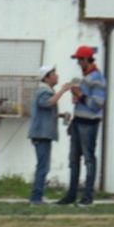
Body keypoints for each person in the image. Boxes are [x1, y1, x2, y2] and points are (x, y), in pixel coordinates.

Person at [58, 45, 105, 207]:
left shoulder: (96, 78)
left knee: (89, 159)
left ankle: (88, 196)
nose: (78, 63)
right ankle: (71, 195)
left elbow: (97, 104)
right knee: (74, 160)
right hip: (79, 121)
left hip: (89, 124)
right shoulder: (86, 77)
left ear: (86, 59)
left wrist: (80, 95)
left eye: (79, 59)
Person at [28, 64, 68, 205]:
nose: (57, 76)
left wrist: (59, 115)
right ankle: (36, 198)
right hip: (41, 134)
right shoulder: (44, 91)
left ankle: (38, 195)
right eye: (54, 73)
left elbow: (45, 111)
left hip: (43, 134)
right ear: (46, 77)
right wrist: (62, 91)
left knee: (44, 166)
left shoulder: (47, 90)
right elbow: (45, 104)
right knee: (43, 166)